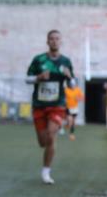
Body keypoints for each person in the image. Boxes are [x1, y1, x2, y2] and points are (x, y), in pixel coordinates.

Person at [26, 30, 74, 185]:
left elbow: (73, 85)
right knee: (43, 142)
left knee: (51, 134)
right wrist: (39, 78)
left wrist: (69, 77)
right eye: (51, 39)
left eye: (57, 39)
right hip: (39, 105)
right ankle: (52, 133)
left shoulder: (66, 62)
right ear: (47, 41)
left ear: (61, 42)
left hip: (57, 105)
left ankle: (46, 171)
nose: (54, 41)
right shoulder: (39, 60)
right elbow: (27, 79)